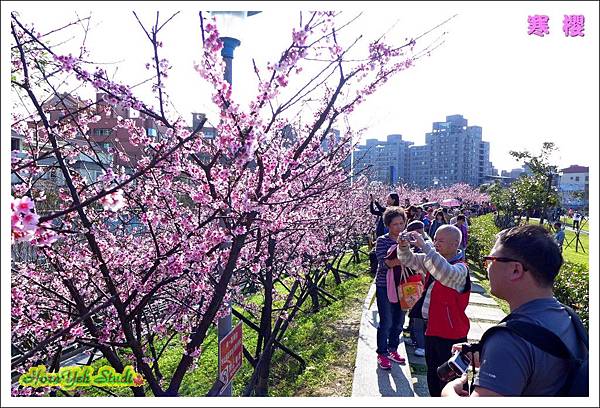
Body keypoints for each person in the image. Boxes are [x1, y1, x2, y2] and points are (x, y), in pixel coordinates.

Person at [442, 224, 588, 397]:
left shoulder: (510, 340)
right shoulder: (568, 316)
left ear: (515, 270)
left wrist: (448, 393)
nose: (487, 266)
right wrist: (497, 360)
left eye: (491, 260)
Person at [397, 225, 471, 397]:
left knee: (453, 379)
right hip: (433, 329)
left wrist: (426, 246)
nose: (436, 243)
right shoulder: (433, 260)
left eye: (441, 241)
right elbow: (409, 260)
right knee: (433, 375)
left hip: (453, 335)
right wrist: (403, 246)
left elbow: (445, 272)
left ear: (455, 245)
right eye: (435, 239)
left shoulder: (461, 269)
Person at [374, 207, 408, 370]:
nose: (399, 227)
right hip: (384, 286)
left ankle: (392, 349)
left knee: (399, 321)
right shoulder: (382, 240)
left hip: (404, 285)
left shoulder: (408, 239)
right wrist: (405, 257)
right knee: (386, 320)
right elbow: (383, 264)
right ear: (388, 225)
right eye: (395, 224)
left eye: (402, 223)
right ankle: (382, 352)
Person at [404, 220, 430, 357]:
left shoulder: (426, 246)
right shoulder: (425, 243)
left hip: (421, 286)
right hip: (418, 285)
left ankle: (422, 345)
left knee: (419, 316)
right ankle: (416, 340)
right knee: (415, 315)